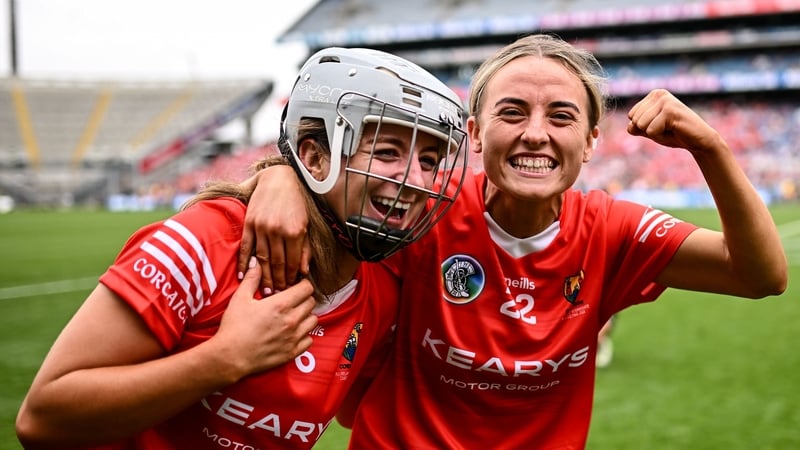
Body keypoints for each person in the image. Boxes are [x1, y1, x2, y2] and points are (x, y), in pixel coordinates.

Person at [239, 34, 788, 449]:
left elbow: (760, 275)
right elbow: (333, 184)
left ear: (592, 141)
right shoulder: (422, 207)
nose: (535, 133)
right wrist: (278, 173)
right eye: (512, 112)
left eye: (561, 116)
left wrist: (710, 147)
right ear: (475, 134)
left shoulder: (613, 230)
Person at [14, 46, 468, 449]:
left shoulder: (382, 286)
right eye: (388, 152)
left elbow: (353, 412)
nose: (416, 181)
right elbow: (43, 419)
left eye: (430, 161)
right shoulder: (205, 242)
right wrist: (223, 360)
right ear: (313, 157)